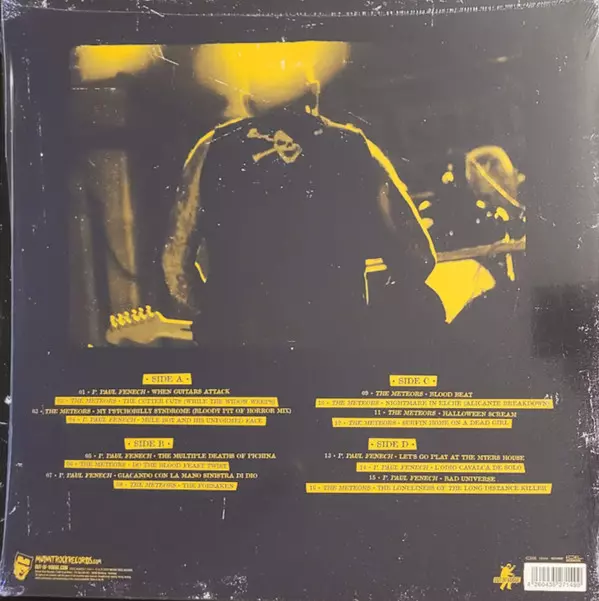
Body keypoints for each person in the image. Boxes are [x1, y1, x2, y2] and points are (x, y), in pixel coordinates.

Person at [163, 103, 444, 348]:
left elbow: (175, 265)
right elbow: (418, 255)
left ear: (250, 97)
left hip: (240, 349)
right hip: (334, 347)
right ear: (313, 92)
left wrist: (217, 315)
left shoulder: (212, 147)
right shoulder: (355, 146)